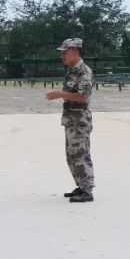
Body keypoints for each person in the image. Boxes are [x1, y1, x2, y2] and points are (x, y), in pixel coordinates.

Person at [46, 38, 94, 202]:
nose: (62, 56)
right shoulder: (73, 71)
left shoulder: (84, 71)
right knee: (72, 156)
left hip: (79, 120)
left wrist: (60, 94)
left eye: (64, 52)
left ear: (75, 51)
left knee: (80, 155)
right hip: (71, 119)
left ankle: (87, 191)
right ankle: (81, 186)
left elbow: (82, 96)